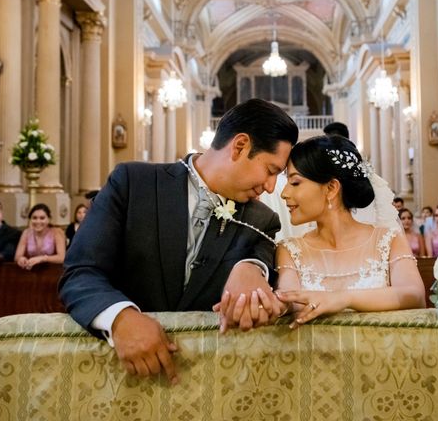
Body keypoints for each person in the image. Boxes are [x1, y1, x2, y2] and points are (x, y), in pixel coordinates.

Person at [59, 98, 299, 384]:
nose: (271, 186)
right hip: (120, 375)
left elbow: (260, 259)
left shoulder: (262, 218)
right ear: (239, 146)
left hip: (207, 382)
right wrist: (121, 318)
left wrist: (251, 268)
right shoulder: (134, 183)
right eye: (270, 170)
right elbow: (80, 272)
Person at [273, 135, 425, 326]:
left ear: (331, 188)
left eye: (295, 182)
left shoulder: (388, 240)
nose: (284, 193)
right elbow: (289, 300)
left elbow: (414, 294)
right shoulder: (289, 249)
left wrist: (343, 298)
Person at [15, 203, 66, 270]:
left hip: (52, 271)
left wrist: (43, 258)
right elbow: (17, 256)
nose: (38, 221)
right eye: (34, 218)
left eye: (42, 218)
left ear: (49, 219)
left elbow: (62, 257)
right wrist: (21, 259)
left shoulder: (56, 232)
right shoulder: (26, 233)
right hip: (31, 271)